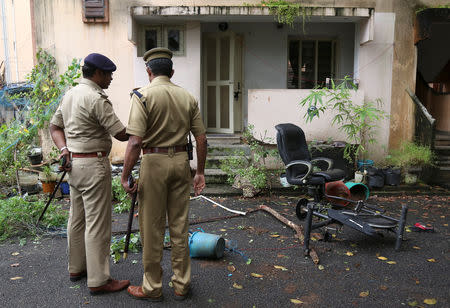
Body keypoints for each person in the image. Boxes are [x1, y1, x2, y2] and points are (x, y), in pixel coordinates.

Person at [121, 47, 207, 302]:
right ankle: (181, 285)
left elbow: (135, 142)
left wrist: (125, 175)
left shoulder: (142, 96)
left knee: (152, 227)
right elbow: (201, 139)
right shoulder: (188, 97)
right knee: (180, 226)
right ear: (171, 72)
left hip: (154, 162)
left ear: (149, 71)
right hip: (181, 162)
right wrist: (199, 172)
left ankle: (152, 287)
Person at [49, 53, 130, 295]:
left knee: (77, 219)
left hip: (74, 165)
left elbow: (54, 127)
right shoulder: (96, 98)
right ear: (97, 73)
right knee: (97, 224)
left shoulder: (70, 94)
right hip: (94, 166)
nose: (111, 78)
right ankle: (99, 280)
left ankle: (76, 268)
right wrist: (143, 129)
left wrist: (63, 149)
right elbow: (120, 134)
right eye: (108, 74)